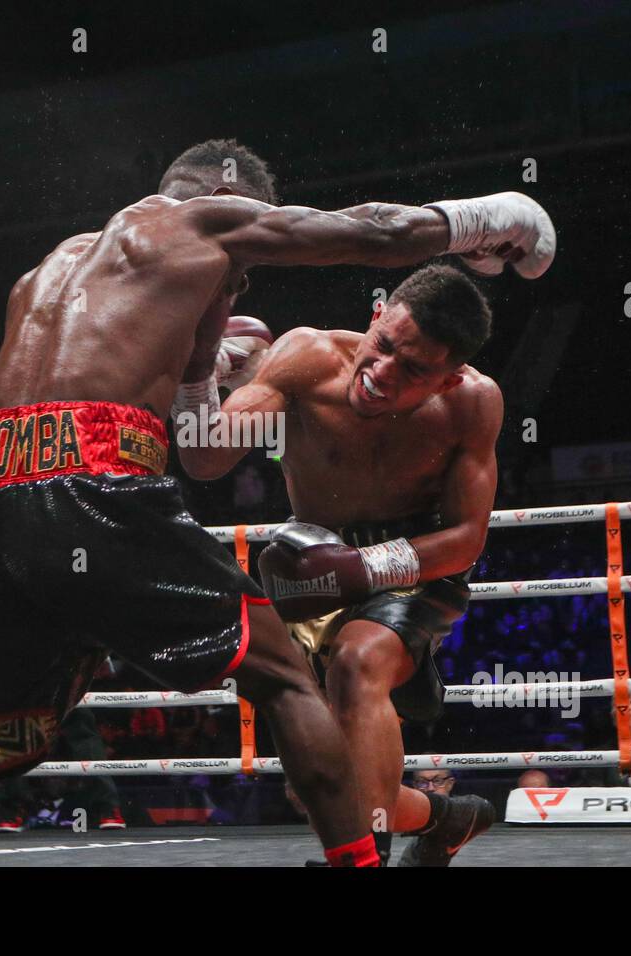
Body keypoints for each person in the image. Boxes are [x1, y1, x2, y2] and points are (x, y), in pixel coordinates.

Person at [0, 138, 554, 867]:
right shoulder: (200, 222)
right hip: (94, 484)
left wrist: (204, 358)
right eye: (243, 260)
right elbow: (371, 234)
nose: (241, 276)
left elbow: (175, 423)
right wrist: (489, 218)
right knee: (285, 680)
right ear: (222, 198)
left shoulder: (57, 266)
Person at [179, 262, 535, 865]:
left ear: (448, 380)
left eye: (415, 370)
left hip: (417, 565)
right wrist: (195, 376)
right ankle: (447, 819)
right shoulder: (304, 358)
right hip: (313, 557)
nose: (381, 374)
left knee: (358, 660)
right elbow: (205, 460)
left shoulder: (473, 403)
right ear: (376, 317)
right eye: (384, 346)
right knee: (319, 785)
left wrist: (363, 568)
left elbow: (468, 537)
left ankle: (361, 857)